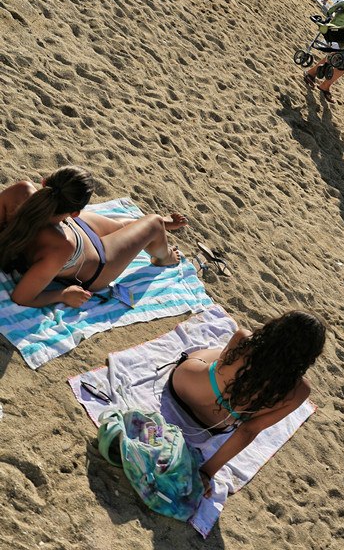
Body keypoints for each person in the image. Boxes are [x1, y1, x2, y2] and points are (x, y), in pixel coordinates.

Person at [168, 310, 326, 494]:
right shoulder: (299, 391)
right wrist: (207, 472)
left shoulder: (243, 339)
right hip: (213, 424)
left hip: (184, 387)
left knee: (216, 358)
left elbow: (222, 366)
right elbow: (249, 430)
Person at [0, 167, 187, 309]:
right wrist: (62, 295)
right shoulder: (61, 246)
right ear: (75, 212)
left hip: (73, 230)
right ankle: (165, 256)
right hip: (99, 266)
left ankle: (147, 225)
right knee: (153, 223)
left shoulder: (20, 191)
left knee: (122, 228)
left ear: (43, 182)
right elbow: (22, 297)